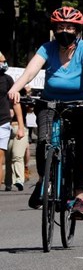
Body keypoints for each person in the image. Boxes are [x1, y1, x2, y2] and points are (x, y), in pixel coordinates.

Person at [6, 7, 83, 220]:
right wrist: (15, 88)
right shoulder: (47, 48)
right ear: (54, 29)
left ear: (77, 30)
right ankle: (44, 181)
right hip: (50, 102)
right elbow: (31, 71)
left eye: (70, 27)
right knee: (43, 142)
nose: (65, 31)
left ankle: (79, 198)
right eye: (60, 27)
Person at [1, 52, 27, 192]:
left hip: (8, 124)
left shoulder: (8, 80)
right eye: (1, 61)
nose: (4, 64)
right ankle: (8, 182)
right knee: (7, 157)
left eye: (4, 61)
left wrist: (22, 127)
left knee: (9, 156)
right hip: (6, 124)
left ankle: (17, 180)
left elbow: (17, 105)